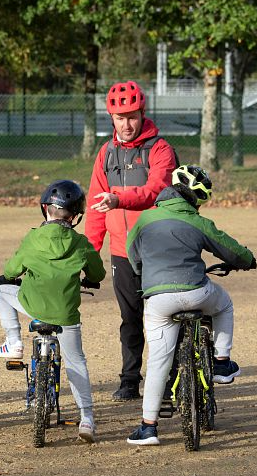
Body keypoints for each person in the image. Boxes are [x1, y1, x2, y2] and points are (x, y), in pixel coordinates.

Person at [124, 165, 255, 445]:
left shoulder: (145, 218)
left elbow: (132, 254)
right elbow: (233, 251)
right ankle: (221, 363)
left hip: (158, 299)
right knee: (224, 305)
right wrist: (248, 260)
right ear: (197, 198)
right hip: (196, 293)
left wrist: (143, 274)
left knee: (158, 360)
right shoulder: (199, 222)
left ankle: (148, 427)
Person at [0, 180, 105, 442]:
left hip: (33, 306)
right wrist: (88, 277)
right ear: (75, 216)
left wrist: (12, 276)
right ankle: (86, 418)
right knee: (77, 362)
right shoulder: (80, 242)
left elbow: (11, 271)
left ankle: (14, 341)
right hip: (66, 314)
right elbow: (97, 273)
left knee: (2, 293)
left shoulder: (33, 237)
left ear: (45, 209)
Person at [86, 80, 177, 401]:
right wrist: (89, 255)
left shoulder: (160, 149)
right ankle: (129, 380)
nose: (126, 124)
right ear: (111, 117)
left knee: (163, 318)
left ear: (143, 113)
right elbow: (96, 207)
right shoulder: (106, 153)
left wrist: (118, 198)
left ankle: (168, 379)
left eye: (132, 116)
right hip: (121, 252)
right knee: (130, 320)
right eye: (120, 117)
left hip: (158, 250)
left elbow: (156, 191)